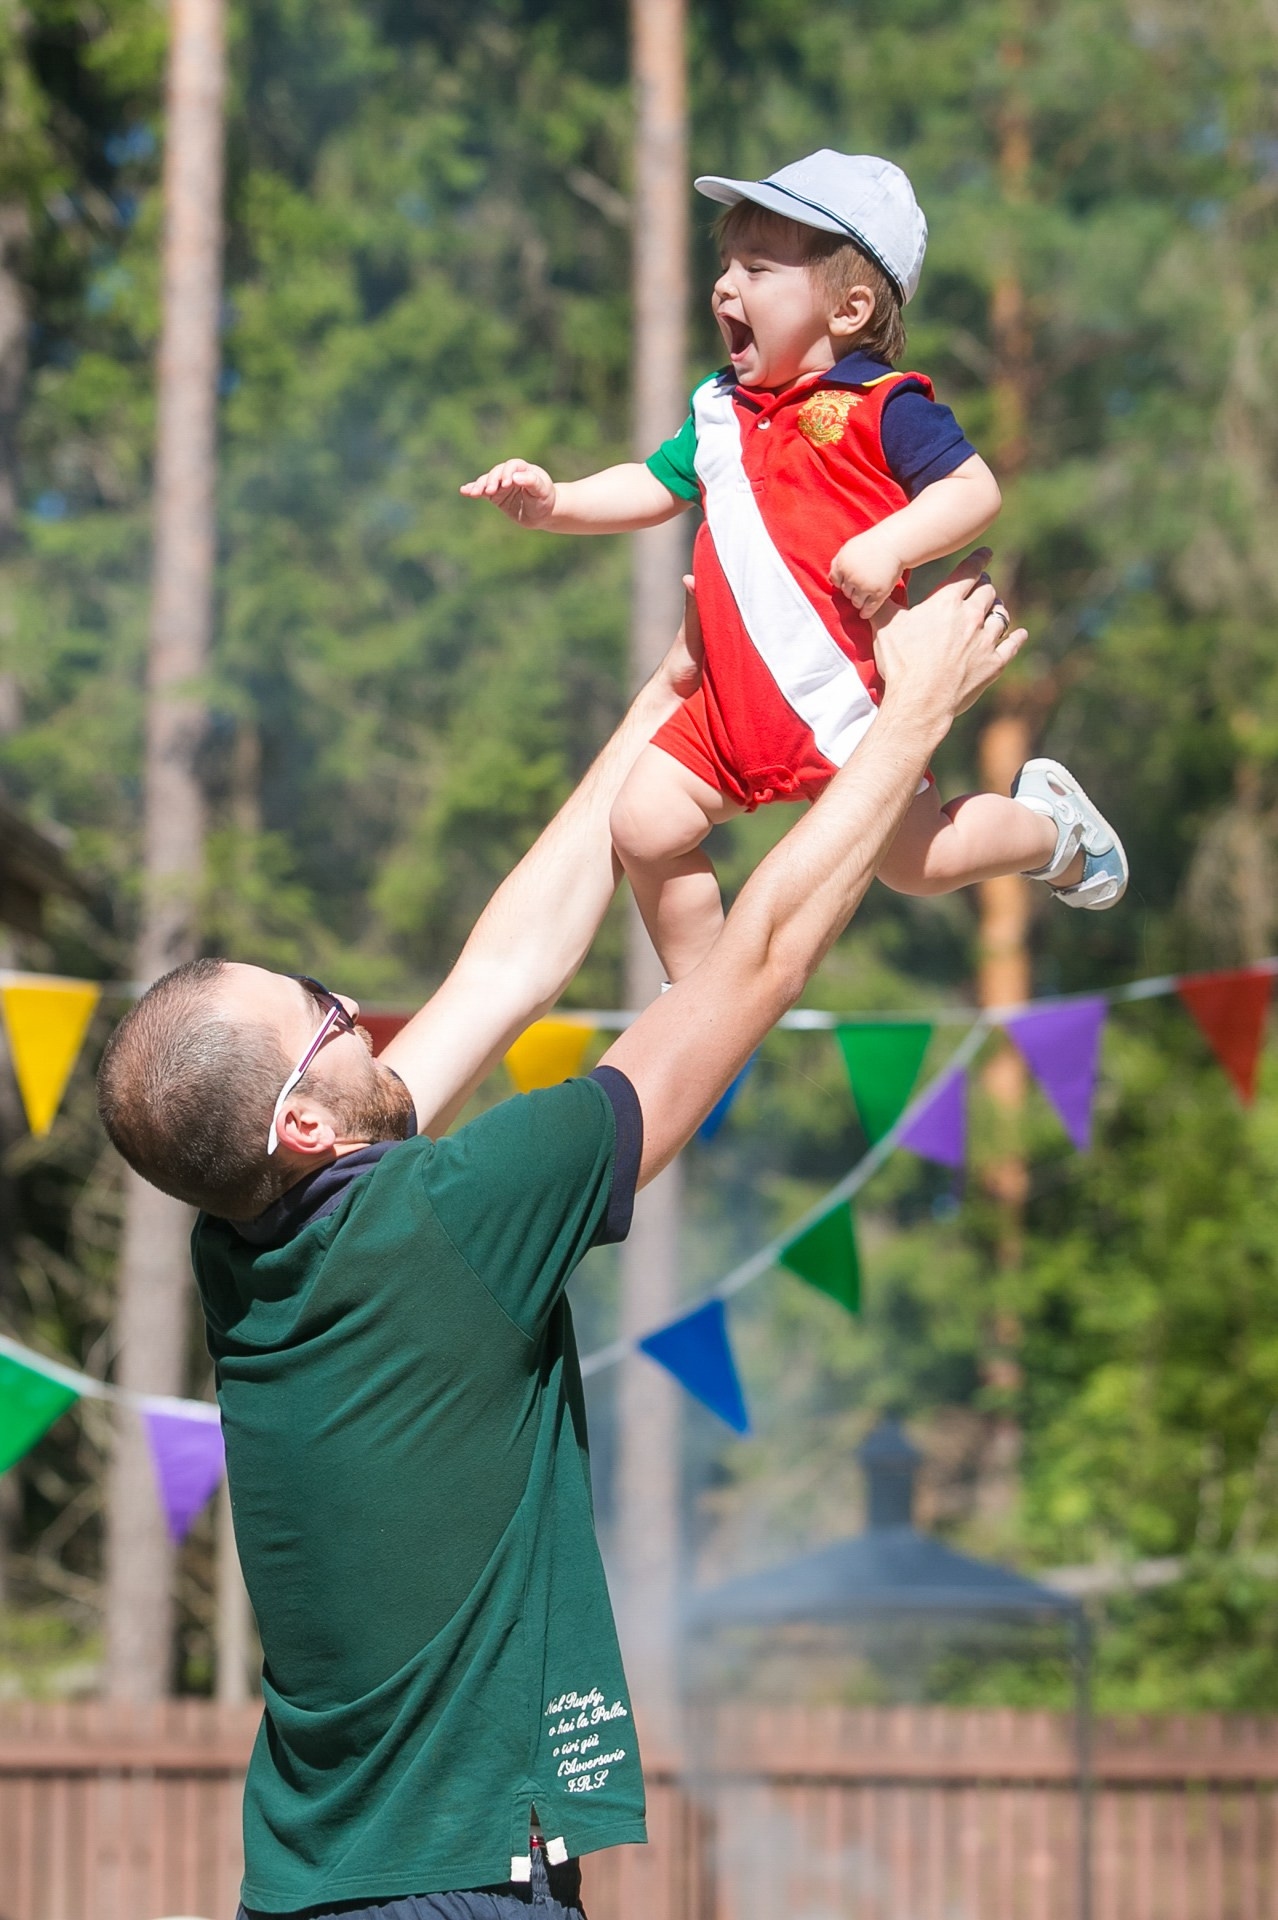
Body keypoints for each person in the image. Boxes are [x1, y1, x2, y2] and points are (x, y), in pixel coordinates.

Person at [96, 557, 1022, 1920]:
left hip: (317, 1888)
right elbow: (760, 964)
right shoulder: (461, 1215)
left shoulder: (242, 1255)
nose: (355, 1002)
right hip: (459, 1893)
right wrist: (913, 721)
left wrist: (666, 700)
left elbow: (506, 969)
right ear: (301, 1127)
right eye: (323, 1011)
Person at [463, 150, 1127, 981]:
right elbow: (653, 482)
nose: (724, 287)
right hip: (730, 710)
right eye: (725, 265)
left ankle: (1050, 829)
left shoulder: (884, 407)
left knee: (917, 865)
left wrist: (892, 545)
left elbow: (974, 488)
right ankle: (703, 999)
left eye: (758, 268)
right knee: (643, 822)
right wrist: (555, 500)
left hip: (848, 704)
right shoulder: (718, 411)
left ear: (849, 307)